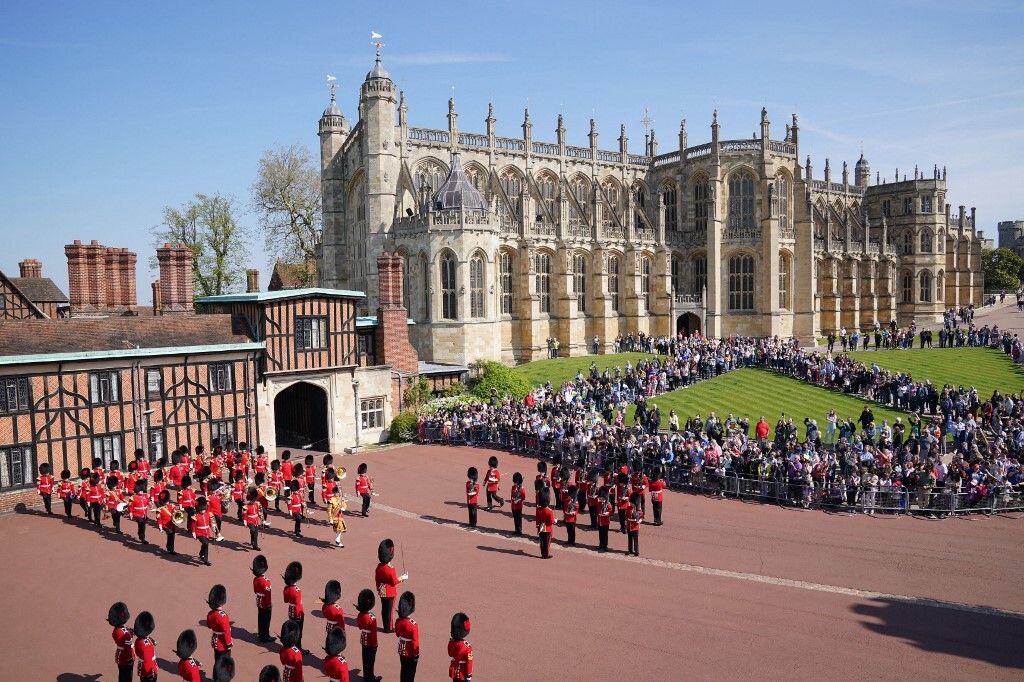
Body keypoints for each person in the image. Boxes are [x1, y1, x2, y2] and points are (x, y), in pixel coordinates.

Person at [375, 538, 408, 633]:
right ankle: (388, 628)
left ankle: (385, 626)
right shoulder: (390, 569)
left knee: (384, 609)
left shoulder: (379, 566)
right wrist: (403, 577)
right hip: (390, 591)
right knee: (390, 611)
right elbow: (394, 581)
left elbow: (377, 578)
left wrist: (378, 588)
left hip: (382, 590)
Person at [356, 589, 382, 682]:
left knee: (365, 658)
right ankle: (370, 677)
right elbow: (374, 634)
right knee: (370, 661)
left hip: (363, 639)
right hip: (370, 641)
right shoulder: (371, 618)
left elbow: (359, 627)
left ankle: (366, 675)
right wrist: (375, 644)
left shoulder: (360, 615)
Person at [283, 561, 309, 654]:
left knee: (292, 630)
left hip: (290, 612)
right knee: (298, 632)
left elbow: (286, 601)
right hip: (297, 613)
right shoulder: (296, 590)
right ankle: (298, 648)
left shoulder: (286, 589)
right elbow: (298, 604)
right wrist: (300, 615)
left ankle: (292, 644)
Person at [395, 591, 420, 682]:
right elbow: (415, 641)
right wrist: (416, 654)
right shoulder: (413, 625)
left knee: (404, 669)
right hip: (410, 651)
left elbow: (397, 634)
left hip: (401, 648)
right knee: (410, 673)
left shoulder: (398, 621)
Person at [206, 584, 233, 665]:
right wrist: (229, 644)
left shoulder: (210, 614)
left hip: (215, 641)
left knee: (217, 661)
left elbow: (209, 626)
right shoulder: (223, 617)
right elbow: (226, 632)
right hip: (223, 643)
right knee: (224, 664)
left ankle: (216, 676)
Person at [108, 601, 135, 682]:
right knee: (127, 677)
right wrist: (130, 659)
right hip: (126, 658)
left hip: (120, 657)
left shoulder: (117, 630)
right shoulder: (124, 633)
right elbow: (127, 648)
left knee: (122, 676)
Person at [252, 554, 274, 643]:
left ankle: (261, 634)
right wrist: (269, 603)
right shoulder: (266, 581)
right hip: (265, 602)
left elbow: (255, 591)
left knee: (260, 618)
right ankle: (265, 636)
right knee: (266, 620)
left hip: (259, 601)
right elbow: (268, 594)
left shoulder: (255, 579)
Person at [133, 611, 158, 682]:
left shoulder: (139, 640)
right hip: (148, 670)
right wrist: (150, 673)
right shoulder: (145, 646)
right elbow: (147, 660)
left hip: (143, 668)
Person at [447, 613, 473, 682]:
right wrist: (469, 675)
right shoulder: (467, 647)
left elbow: (450, 654)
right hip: (463, 674)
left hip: (454, 672)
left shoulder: (451, 642)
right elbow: (469, 663)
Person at [155, 489, 178, 555]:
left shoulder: (172, 506)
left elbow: (175, 512)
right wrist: (160, 526)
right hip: (164, 525)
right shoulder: (159, 510)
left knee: (172, 536)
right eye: (166, 501)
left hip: (172, 524)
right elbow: (158, 519)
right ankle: (169, 547)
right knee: (170, 533)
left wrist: (175, 513)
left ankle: (171, 549)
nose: (167, 502)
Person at [535, 488, 555, 559]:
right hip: (548, 528)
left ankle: (543, 554)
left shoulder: (539, 510)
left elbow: (537, 519)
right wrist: (555, 521)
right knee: (547, 543)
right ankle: (546, 555)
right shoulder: (549, 511)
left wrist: (537, 526)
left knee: (542, 542)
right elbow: (552, 521)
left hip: (540, 527)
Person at [193, 496, 213, 566]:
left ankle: (204, 557)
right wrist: (193, 533)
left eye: (204, 510)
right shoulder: (196, 516)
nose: (203, 511)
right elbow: (193, 525)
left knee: (206, 545)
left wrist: (212, 527)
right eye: (202, 510)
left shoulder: (207, 514)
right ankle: (203, 557)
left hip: (206, 532)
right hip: (199, 532)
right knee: (206, 543)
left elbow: (209, 522)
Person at [129, 480, 150, 544]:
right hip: (137, 514)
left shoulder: (145, 496)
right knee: (141, 524)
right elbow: (130, 506)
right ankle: (142, 538)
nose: (142, 492)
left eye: (142, 490)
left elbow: (147, 501)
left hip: (144, 514)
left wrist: (150, 504)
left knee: (143, 526)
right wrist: (130, 513)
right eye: (140, 491)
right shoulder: (133, 497)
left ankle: (142, 537)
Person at [626, 492, 643, 556]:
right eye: (631, 503)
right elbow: (626, 516)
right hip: (629, 526)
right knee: (630, 539)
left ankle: (636, 551)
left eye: (632, 503)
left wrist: (639, 521)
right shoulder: (628, 508)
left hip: (635, 527)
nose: (631, 504)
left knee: (636, 539)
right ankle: (630, 550)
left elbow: (641, 517)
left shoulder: (638, 510)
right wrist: (626, 521)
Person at [596, 487, 612, 552]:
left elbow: (610, 511)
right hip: (600, 520)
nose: (600, 499)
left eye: (601, 498)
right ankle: (601, 544)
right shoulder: (599, 503)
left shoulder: (608, 504)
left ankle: (605, 546)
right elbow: (598, 511)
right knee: (600, 533)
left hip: (605, 521)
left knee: (605, 534)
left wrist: (607, 513)